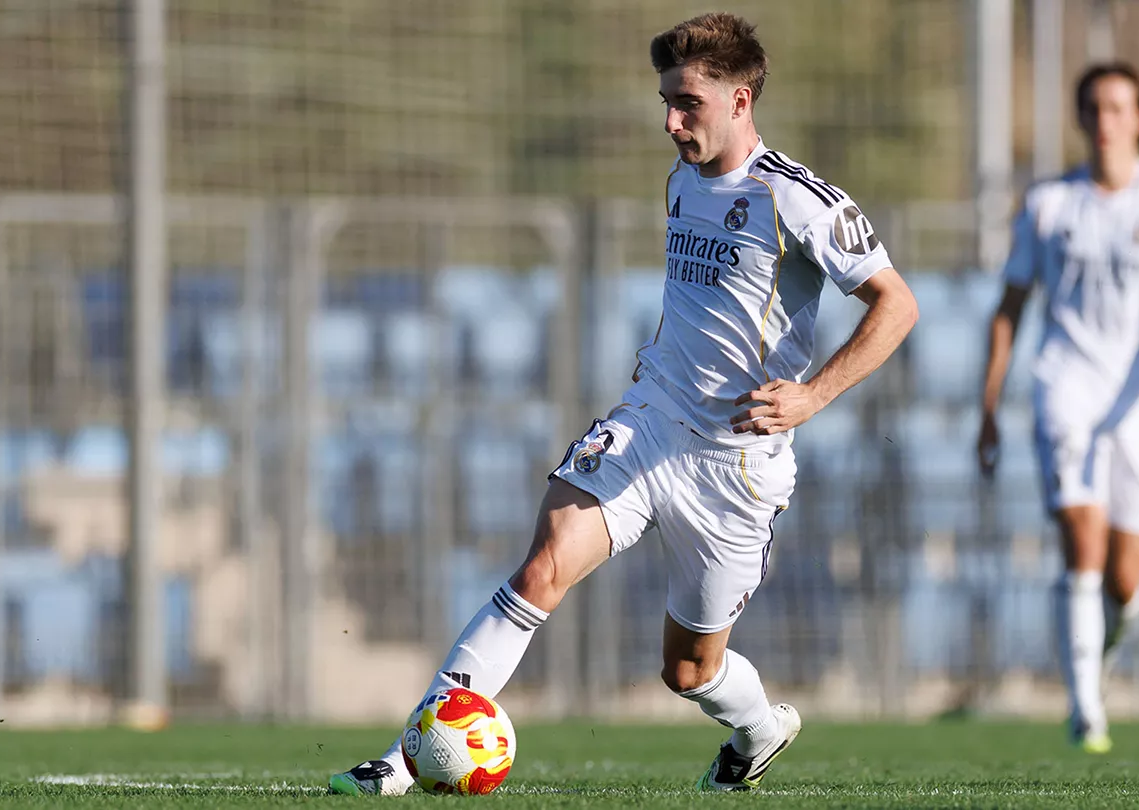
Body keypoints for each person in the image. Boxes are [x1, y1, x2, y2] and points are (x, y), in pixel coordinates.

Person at [330, 11, 919, 795]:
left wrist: (813, 395)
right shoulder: (681, 179)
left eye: (689, 104)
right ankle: (402, 762)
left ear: (741, 101)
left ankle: (759, 728)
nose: (672, 122)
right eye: (666, 102)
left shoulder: (799, 200)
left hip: (736, 465)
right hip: (650, 420)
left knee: (687, 671)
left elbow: (897, 305)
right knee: (542, 566)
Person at [976, 62, 1139, 753]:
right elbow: (1009, 307)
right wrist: (989, 403)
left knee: (1125, 578)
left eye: (1119, 108)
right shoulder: (1049, 204)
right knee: (1081, 542)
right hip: (1067, 389)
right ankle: (1085, 709)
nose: (1105, 120)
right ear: (1081, 118)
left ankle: (1099, 650)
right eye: (1094, 107)